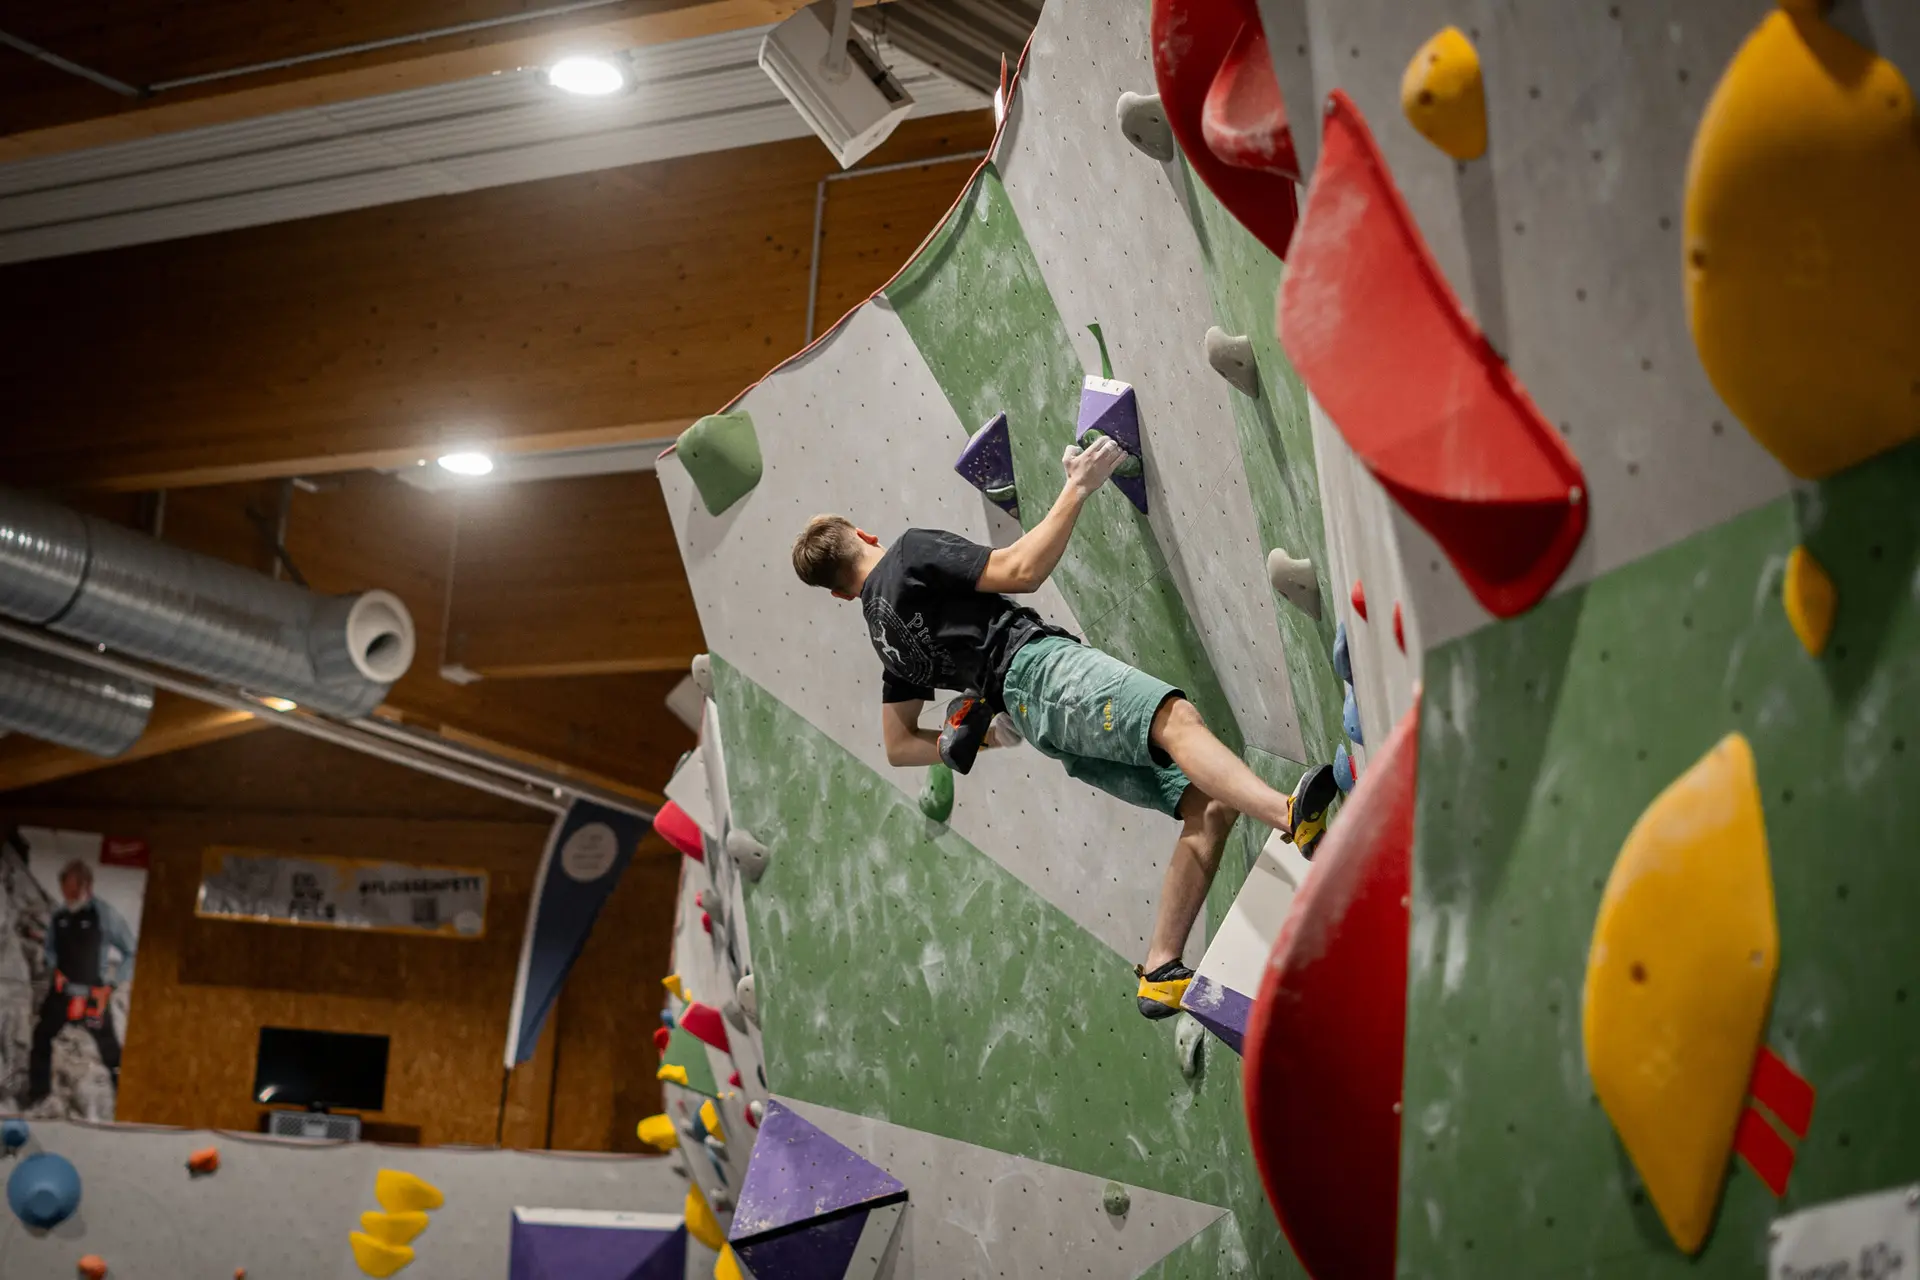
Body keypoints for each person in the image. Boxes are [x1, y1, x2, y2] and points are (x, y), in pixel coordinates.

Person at [790, 437, 1337, 1019]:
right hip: (1043, 673)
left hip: (1036, 719)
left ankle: (1161, 968)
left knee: (1207, 805)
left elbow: (899, 746)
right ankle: (1290, 816)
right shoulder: (906, 553)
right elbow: (1019, 570)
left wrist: (990, 737)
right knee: (1174, 720)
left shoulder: (886, 644)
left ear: (838, 593)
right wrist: (1078, 485)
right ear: (865, 536)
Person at [26, 858, 136, 1106]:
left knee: (110, 1051)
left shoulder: (105, 915)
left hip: (92, 996)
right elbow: (51, 948)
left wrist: (110, 985)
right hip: (62, 994)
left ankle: (126, 1099)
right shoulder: (59, 917)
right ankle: (38, 1097)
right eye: (65, 892)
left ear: (87, 886)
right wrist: (55, 969)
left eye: (73, 892)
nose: (69, 898)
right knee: (41, 1036)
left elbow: (131, 950)